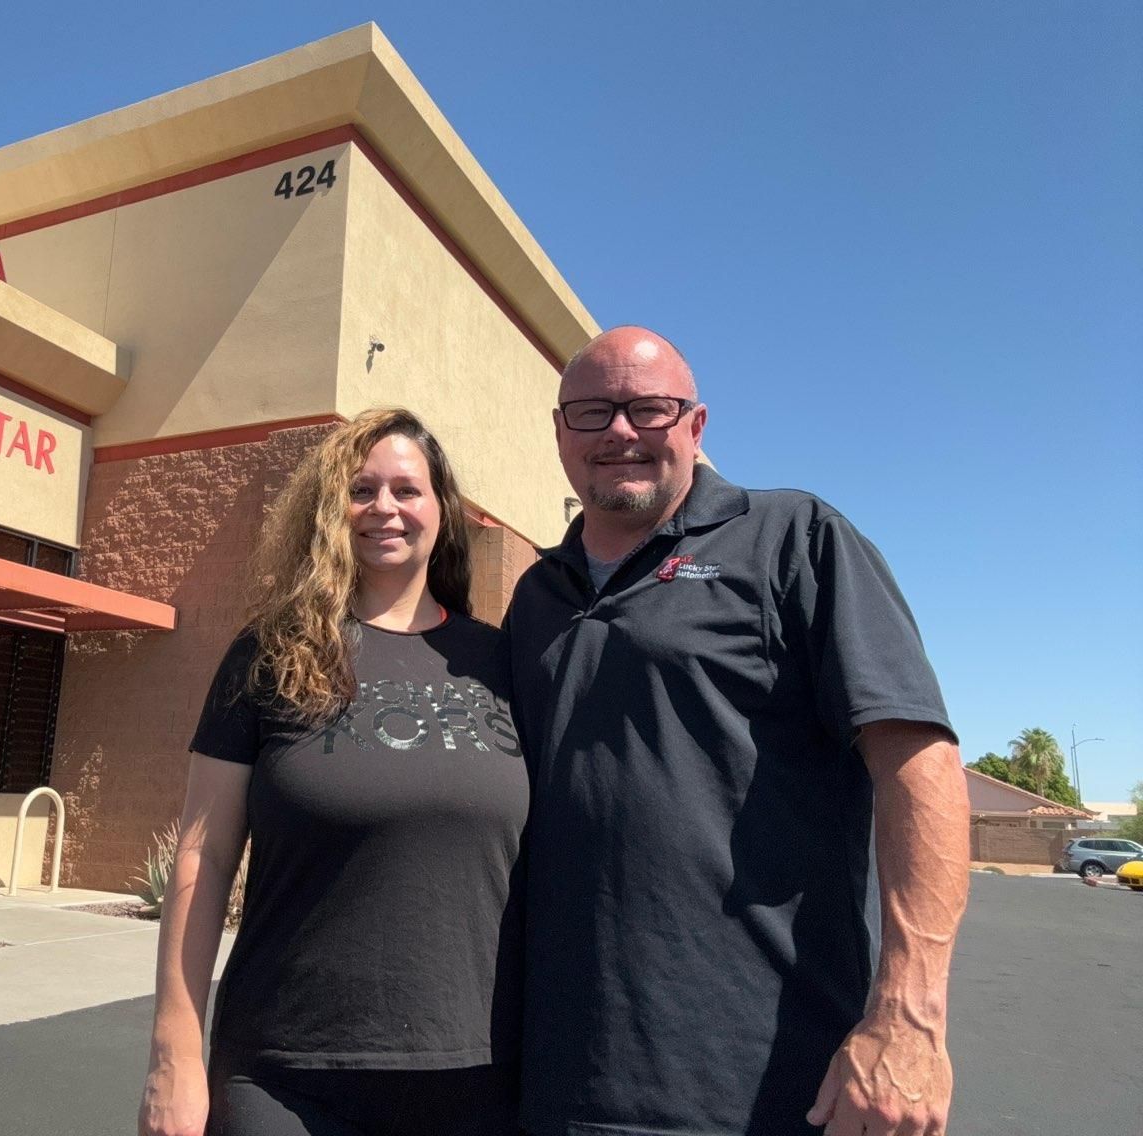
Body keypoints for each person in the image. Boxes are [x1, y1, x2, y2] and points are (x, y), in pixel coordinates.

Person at [505, 327, 970, 1136]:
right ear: (559, 432)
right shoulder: (537, 595)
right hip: (557, 1080)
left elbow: (919, 763)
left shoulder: (794, 539)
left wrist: (911, 1015)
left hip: (766, 1084)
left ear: (695, 426)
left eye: (649, 408)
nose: (620, 431)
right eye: (592, 412)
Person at [139, 408, 527, 1136]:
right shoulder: (269, 656)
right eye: (360, 489)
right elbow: (204, 853)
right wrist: (173, 1053)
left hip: (478, 1076)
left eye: (407, 490)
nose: (385, 508)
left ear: (442, 511)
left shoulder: (503, 663)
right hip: (285, 1075)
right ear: (329, 511)